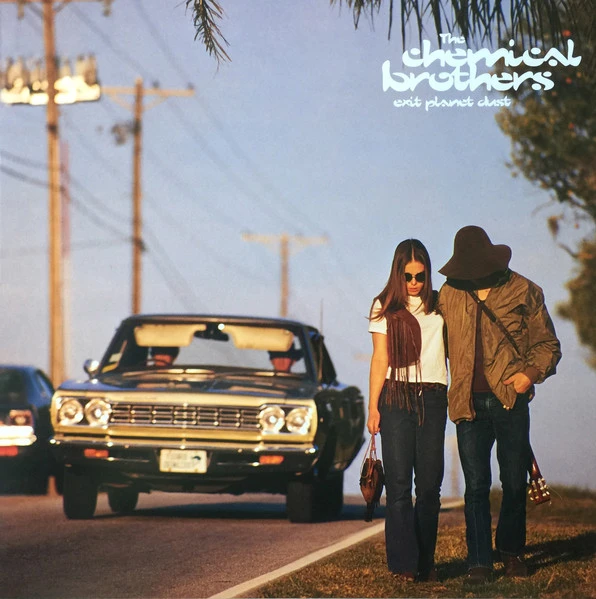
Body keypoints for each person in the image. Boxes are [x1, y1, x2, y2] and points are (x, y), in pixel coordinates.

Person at [437, 226, 561, 585]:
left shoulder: (524, 290)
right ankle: (478, 562)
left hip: (510, 400)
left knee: (513, 482)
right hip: (467, 403)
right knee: (476, 486)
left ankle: (511, 552)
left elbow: (548, 345)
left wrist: (529, 376)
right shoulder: (449, 293)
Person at [368, 239, 448, 583]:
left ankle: (425, 562)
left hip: (433, 396)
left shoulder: (440, 304)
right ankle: (403, 565)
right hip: (396, 396)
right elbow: (380, 358)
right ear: (397, 273)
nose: (414, 282)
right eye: (408, 276)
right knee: (399, 485)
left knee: (429, 486)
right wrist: (373, 407)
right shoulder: (383, 306)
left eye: (420, 275)